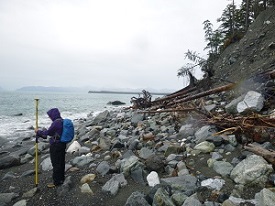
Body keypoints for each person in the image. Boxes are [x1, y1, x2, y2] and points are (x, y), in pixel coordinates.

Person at [35, 108, 66, 188]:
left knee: (55, 163)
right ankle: (61, 179)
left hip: (56, 145)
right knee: (61, 162)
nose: (49, 117)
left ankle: (56, 182)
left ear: (53, 115)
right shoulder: (62, 120)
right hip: (62, 144)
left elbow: (47, 133)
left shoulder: (56, 123)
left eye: (50, 116)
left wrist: (38, 132)